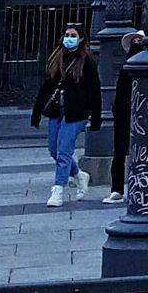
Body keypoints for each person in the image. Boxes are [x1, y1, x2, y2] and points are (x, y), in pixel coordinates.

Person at [32, 25, 101, 207]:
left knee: (64, 151)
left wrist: (95, 116)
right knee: (54, 151)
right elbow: (46, 86)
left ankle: (58, 190)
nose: (69, 37)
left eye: (73, 35)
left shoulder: (86, 61)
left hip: (77, 111)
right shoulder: (57, 57)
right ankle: (79, 174)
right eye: (67, 34)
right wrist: (37, 112)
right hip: (57, 108)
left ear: (80, 39)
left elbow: (94, 90)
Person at [105, 32, 145, 206]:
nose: (137, 43)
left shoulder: (146, 64)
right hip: (124, 112)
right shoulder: (126, 65)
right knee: (119, 151)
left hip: (142, 113)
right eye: (135, 41)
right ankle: (117, 189)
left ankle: (140, 187)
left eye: (140, 41)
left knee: (142, 152)